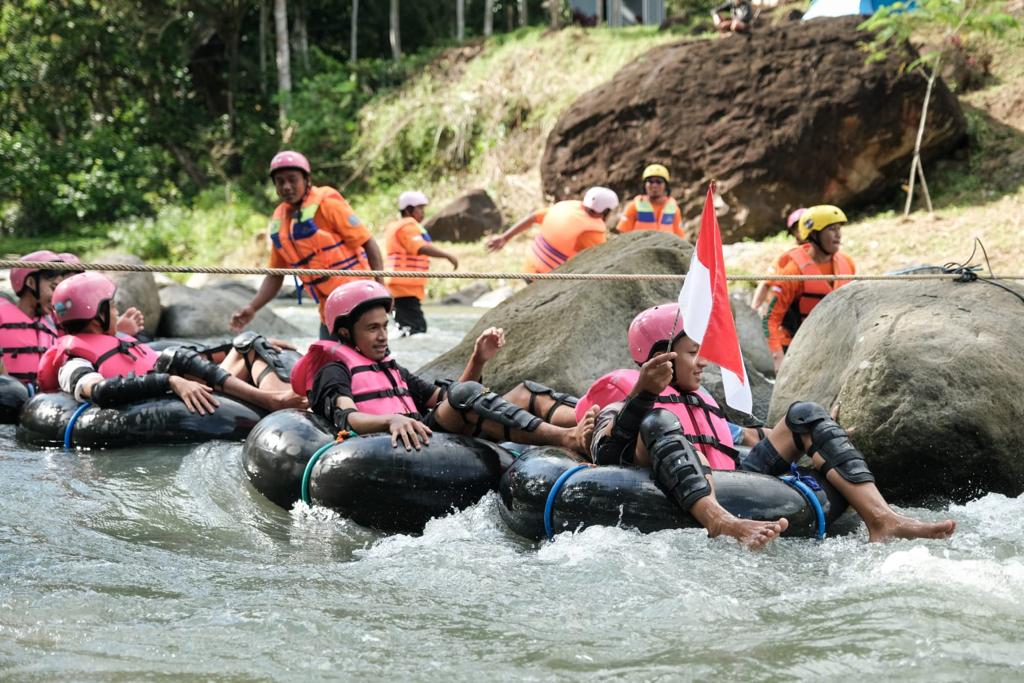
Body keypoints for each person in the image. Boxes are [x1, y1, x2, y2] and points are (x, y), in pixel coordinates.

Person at [584, 303, 956, 548]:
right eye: (693, 353)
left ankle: (883, 518)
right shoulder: (629, 402)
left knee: (804, 414)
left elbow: (748, 437)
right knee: (658, 420)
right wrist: (643, 396)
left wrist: (827, 433)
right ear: (660, 357)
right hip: (693, 490)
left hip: (735, 476)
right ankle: (719, 521)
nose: (703, 363)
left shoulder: (702, 401)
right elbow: (606, 454)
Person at [291, 280, 595, 452]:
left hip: (430, 435)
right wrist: (391, 420)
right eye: (372, 328)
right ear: (345, 332)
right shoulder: (333, 370)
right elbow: (347, 417)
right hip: (390, 447)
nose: (383, 336)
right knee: (465, 394)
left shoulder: (392, 369)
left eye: (385, 326)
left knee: (525, 391)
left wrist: (477, 359)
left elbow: (452, 399)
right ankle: (567, 438)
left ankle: (597, 423)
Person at [38, 272, 306, 414]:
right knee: (172, 359)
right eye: (112, 307)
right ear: (97, 314)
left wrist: (244, 345)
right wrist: (169, 381)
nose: (118, 312)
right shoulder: (73, 363)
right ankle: (270, 401)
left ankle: (287, 404)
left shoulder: (117, 340)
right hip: (164, 401)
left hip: (193, 389)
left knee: (247, 343)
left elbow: (197, 354)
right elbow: (100, 391)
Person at [231, 151, 384, 339]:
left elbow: (368, 242)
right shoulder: (280, 222)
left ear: (306, 179)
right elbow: (275, 275)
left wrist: (381, 289)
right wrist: (252, 307)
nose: (287, 187)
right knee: (327, 363)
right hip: (329, 308)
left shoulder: (328, 204)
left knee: (366, 363)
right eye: (280, 181)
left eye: (292, 180)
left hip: (359, 299)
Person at [1, 251, 144, 387]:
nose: (55, 299)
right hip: (11, 397)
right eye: (53, 288)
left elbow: (83, 340)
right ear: (31, 283)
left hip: (42, 398)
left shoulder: (53, 320)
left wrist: (116, 331)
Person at [763, 205, 856, 373]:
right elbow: (769, 319)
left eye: (839, 228)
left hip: (832, 344)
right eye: (831, 229)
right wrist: (778, 358)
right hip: (795, 347)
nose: (838, 234)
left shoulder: (847, 263)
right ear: (813, 235)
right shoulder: (792, 272)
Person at [485, 187, 619, 274]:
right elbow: (599, 261)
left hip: (527, 269)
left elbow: (532, 218)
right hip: (547, 280)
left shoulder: (564, 207)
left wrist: (505, 237)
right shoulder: (591, 231)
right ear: (605, 211)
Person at [383, 191, 459, 336]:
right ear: (408, 210)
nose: (423, 212)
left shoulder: (405, 226)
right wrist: (447, 255)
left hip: (404, 285)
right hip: (403, 286)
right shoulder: (407, 226)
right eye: (420, 208)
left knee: (409, 327)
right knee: (415, 329)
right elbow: (420, 247)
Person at [750, 207, 806, 314]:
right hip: (792, 311)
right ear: (793, 233)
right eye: (798, 228)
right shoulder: (786, 256)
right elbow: (766, 283)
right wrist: (754, 309)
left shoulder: (832, 256)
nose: (803, 231)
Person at [616, 164, 686, 240]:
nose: (654, 185)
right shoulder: (634, 206)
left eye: (659, 182)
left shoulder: (674, 208)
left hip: (665, 249)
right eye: (650, 181)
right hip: (639, 249)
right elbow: (623, 234)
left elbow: (680, 237)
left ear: (666, 185)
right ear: (645, 185)